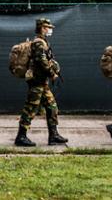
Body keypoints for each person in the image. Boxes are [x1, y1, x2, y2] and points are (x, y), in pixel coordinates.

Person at [14, 18, 68, 147]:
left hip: (42, 82)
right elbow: (41, 61)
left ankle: (53, 135)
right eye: (48, 27)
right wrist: (52, 73)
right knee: (30, 108)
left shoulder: (43, 42)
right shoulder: (39, 43)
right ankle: (21, 136)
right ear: (42, 28)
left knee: (52, 107)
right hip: (36, 81)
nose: (50, 30)